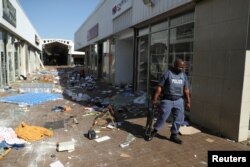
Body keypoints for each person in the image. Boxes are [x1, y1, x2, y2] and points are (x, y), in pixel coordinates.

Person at [147, 58, 191, 144]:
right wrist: (154, 99)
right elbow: (159, 87)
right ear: (175, 66)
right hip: (167, 99)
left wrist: (188, 102)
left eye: (183, 67)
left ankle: (173, 135)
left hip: (179, 100)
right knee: (162, 117)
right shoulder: (167, 73)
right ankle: (154, 131)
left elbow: (186, 89)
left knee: (179, 119)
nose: (182, 69)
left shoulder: (183, 76)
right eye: (180, 67)